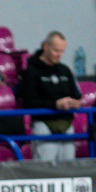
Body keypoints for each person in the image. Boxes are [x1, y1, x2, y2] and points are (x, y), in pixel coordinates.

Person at [19, 31, 83, 162]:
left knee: (69, 167)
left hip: (66, 125)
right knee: (45, 169)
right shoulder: (31, 71)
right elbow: (28, 102)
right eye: (56, 50)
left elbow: (76, 94)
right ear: (46, 47)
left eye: (62, 51)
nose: (59, 54)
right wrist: (55, 104)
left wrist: (74, 102)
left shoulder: (65, 70)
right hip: (44, 125)